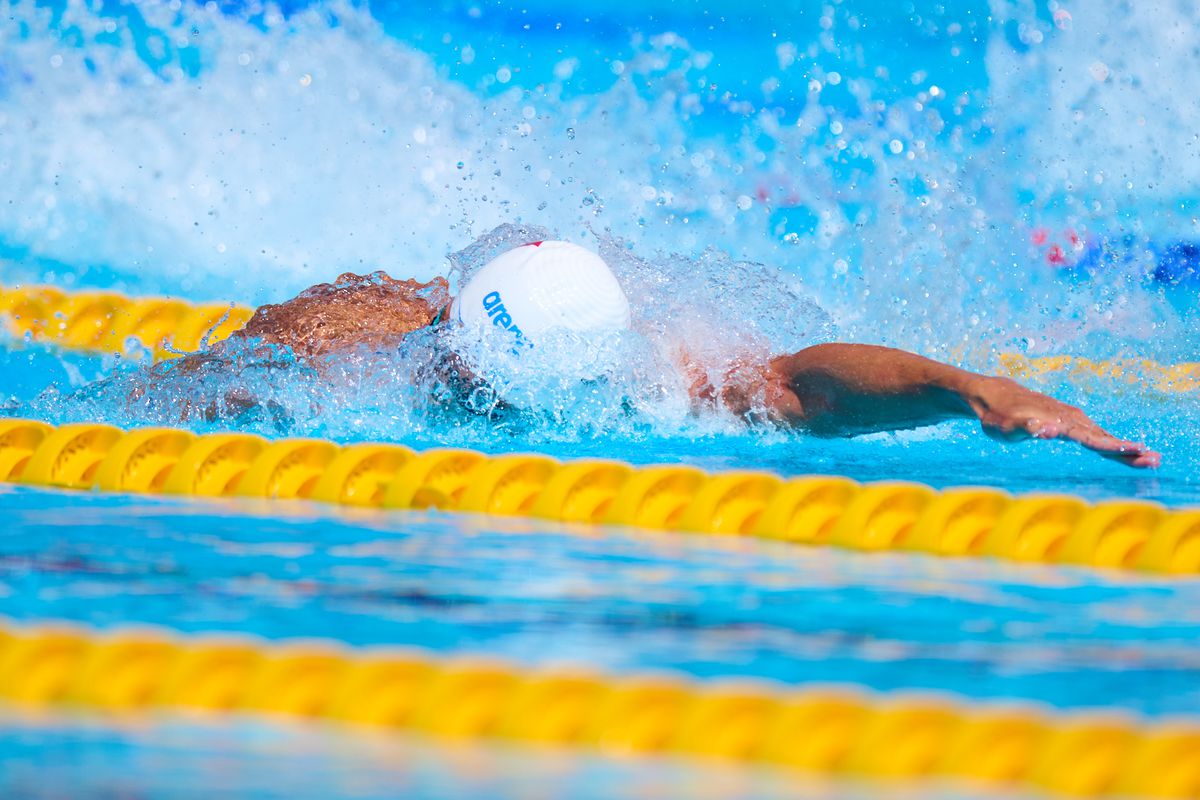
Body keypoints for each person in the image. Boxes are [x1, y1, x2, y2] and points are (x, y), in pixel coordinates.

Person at [187, 239, 1161, 468]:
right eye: (466, 372)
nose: (469, 391)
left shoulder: (641, 374)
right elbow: (165, 391)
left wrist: (964, 387)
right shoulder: (342, 340)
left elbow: (797, 384)